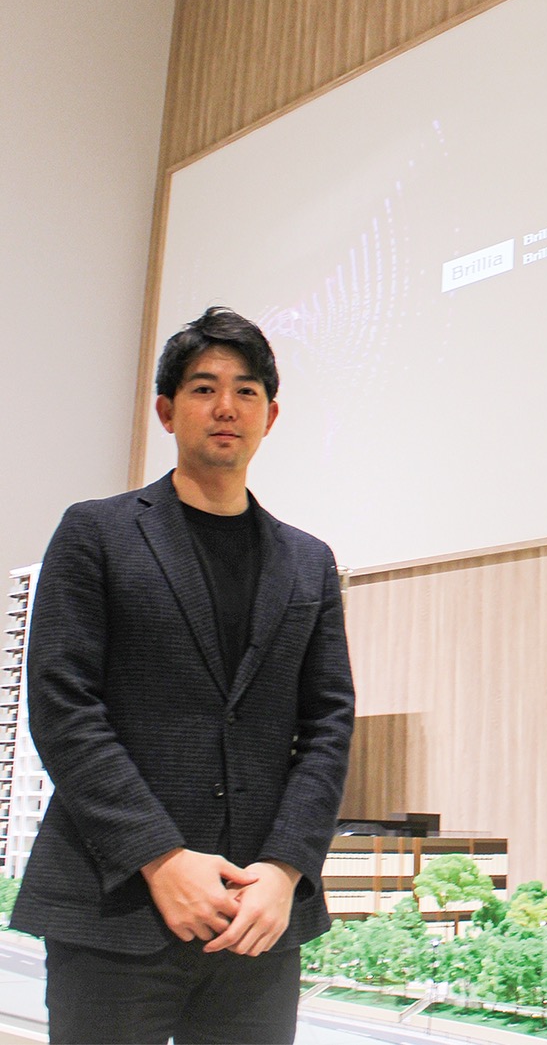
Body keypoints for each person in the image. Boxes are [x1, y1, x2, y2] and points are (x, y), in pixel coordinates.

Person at [11, 307, 356, 1044]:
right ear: (167, 411)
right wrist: (160, 857)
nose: (226, 406)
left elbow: (328, 727)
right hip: (115, 908)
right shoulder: (96, 532)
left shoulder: (308, 561)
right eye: (204, 388)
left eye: (246, 390)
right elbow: (63, 706)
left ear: (270, 415)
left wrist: (285, 868)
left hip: (257, 920)